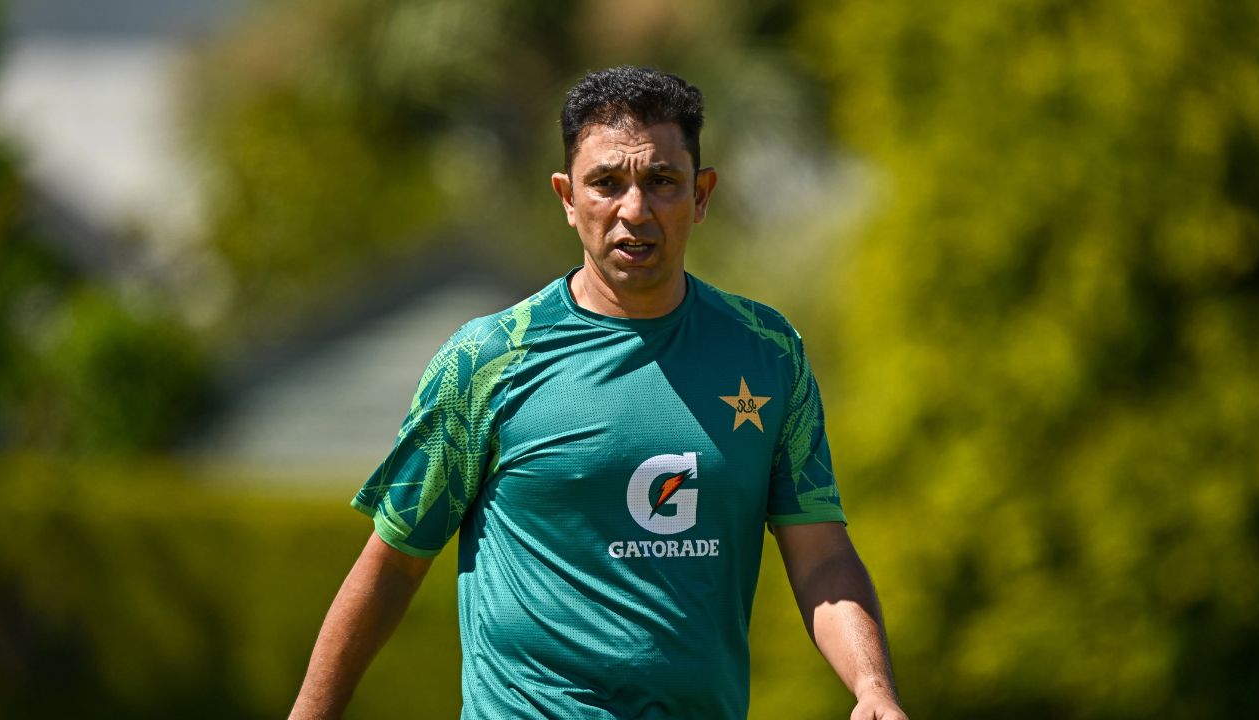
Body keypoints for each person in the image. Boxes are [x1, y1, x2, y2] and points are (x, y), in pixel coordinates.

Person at [290, 66, 907, 720]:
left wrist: (872, 687)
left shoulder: (768, 352)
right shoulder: (487, 360)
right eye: (607, 183)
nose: (634, 211)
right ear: (566, 196)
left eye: (662, 182)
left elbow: (821, 558)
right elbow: (392, 566)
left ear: (701, 194)